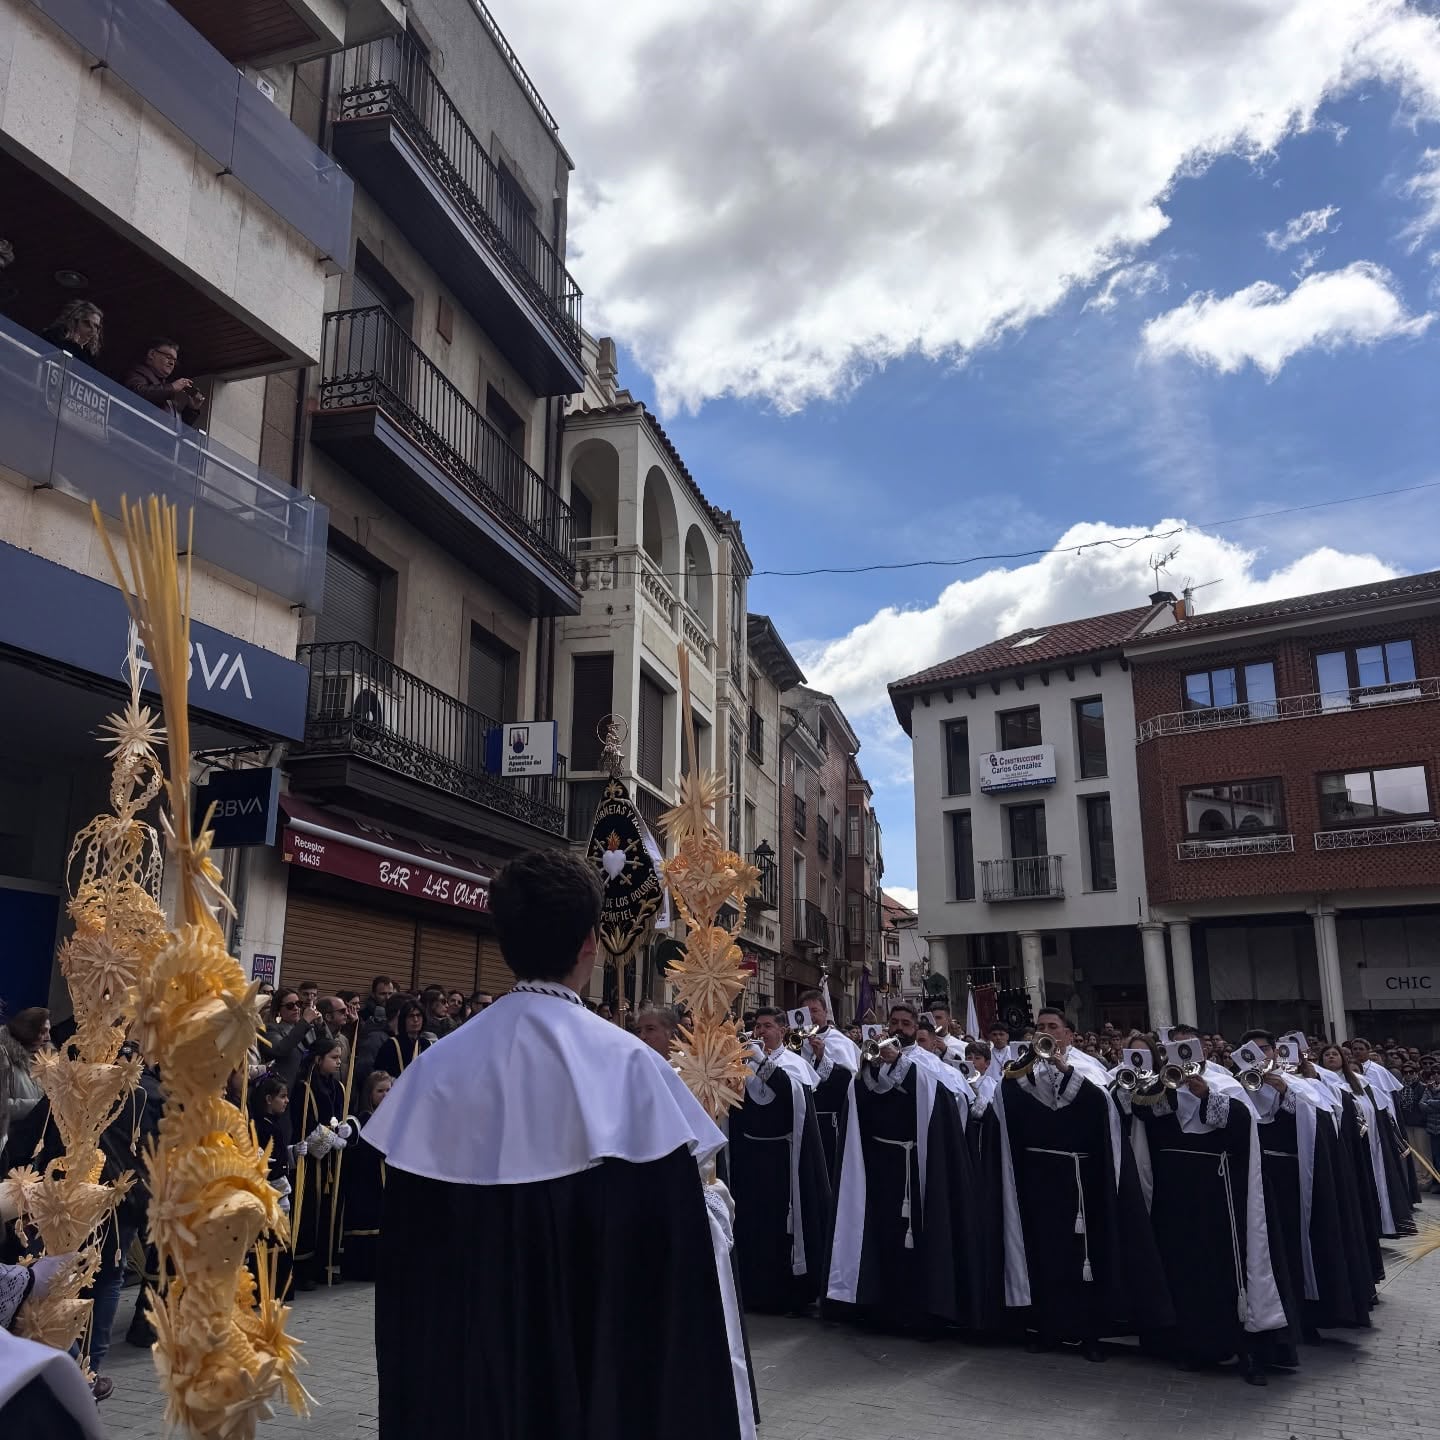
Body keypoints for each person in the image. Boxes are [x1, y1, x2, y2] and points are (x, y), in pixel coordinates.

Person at [363, 849, 746, 1439]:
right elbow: (668, 1302)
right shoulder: (634, 1073)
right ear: (590, 943)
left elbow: (410, 1306)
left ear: (504, 942)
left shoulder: (433, 1073)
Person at [993, 1007, 1171, 1361]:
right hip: (1039, 1180)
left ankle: (1089, 1332)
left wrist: (1066, 1071)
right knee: (1043, 1255)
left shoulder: (1088, 1068)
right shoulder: (1020, 1072)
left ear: (1069, 1035)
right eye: (1040, 1027)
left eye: (1053, 1027)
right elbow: (1002, 1105)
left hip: (1081, 1184)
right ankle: (1047, 1327)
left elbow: (1103, 1110)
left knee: (1085, 1259)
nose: (1046, 1032)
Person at [1126, 1026, 1290, 1384]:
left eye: (1187, 1047)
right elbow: (1141, 1118)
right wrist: (1163, 1094)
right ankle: (1195, 1346)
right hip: (1177, 1194)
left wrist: (1205, 1097)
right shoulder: (1160, 1087)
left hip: (1220, 1194)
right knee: (1184, 1270)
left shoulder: (1223, 1083)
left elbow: (1244, 1124)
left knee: (1228, 1271)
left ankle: (1245, 1349)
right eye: (1173, 1048)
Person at [827, 1003, 976, 1332]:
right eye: (893, 1022)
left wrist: (901, 1068)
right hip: (880, 1166)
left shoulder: (927, 1064)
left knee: (919, 1238)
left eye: (905, 1023)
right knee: (882, 1236)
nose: (898, 1028)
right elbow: (858, 1100)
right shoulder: (872, 1059)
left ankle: (922, 1310)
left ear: (916, 1028)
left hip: (918, 1167)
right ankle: (880, 1306)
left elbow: (947, 1102)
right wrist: (868, 1070)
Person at [729, 1009, 832, 1315]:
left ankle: (785, 1292)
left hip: (783, 1160)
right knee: (750, 1223)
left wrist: (762, 1063)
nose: (760, 1032)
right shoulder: (743, 1063)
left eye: (768, 1026)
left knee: (779, 1226)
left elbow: (791, 1095)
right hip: (750, 1156)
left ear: (783, 1030)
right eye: (757, 1026)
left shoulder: (794, 1063)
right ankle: (751, 1289)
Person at [290, 1035, 351, 1291]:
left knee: (331, 1210)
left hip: (333, 1161)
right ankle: (303, 1270)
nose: (338, 1063)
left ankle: (325, 1263)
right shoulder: (304, 1087)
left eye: (340, 1058)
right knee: (310, 1212)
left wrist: (347, 1129)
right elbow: (304, 1124)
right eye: (334, 1058)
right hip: (312, 1161)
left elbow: (344, 1115)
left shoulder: (338, 1087)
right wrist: (329, 1138)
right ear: (318, 1059)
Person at [797, 987, 860, 1181]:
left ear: (825, 1012)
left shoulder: (841, 1042)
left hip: (828, 1123)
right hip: (801, 1118)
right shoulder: (795, 1041)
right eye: (806, 1012)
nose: (811, 1016)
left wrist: (822, 1057)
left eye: (815, 1010)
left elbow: (848, 1083)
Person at [342, 1070, 392, 1282]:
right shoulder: (364, 1117)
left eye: (389, 1090)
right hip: (366, 1178)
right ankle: (362, 1268)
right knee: (367, 1219)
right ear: (369, 1093)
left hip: (381, 1175)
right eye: (380, 1091)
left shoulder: (388, 1116)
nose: (386, 1095)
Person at [125, 336, 205, 423]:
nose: (172, 363)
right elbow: (135, 394)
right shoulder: (138, 372)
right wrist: (172, 387)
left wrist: (192, 409)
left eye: (174, 360)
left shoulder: (166, 391)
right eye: (168, 357)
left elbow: (177, 430)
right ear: (151, 354)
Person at [256, 988, 322, 1089]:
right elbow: (281, 1049)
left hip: (306, 1090)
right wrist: (304, 1022)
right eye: (290, 1006)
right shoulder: (270, 1029)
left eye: (298, 1004)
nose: (296, 1008)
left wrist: (321, 1024)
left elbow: (327, 1048)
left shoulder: (307, 1028)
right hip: (283, 1090)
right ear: (279, 1010)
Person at [1, 1008, 47, 1136]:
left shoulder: (39, 1059)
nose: (48, 1037)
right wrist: (42, 1106)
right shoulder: (4, 1056)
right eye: (43, 1031)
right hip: (14, 1144)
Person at [375, 1000, 431, 1077]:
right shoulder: (391, 1045)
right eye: (411, 1016)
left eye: (418, 1015)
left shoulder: (426, 1044)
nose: (415, 1020)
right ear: (403, 1019)